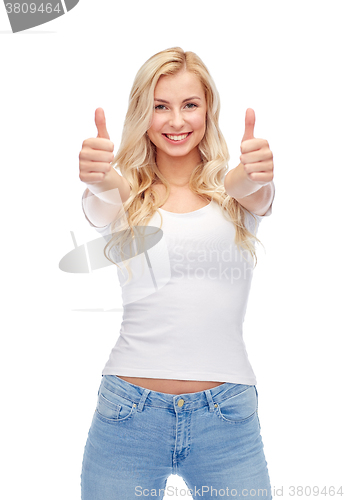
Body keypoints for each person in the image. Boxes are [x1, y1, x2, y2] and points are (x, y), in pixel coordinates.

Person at [78, 47, 275, 500]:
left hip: (226, 418)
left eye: (189, 105)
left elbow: (254, 190)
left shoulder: (233, 190)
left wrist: (256, 173)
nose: (176, 121)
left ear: (208, 110)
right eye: (160, 107)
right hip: (127, 415)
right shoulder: (125, 191)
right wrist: (98, 178)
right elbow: (102, 199)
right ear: (142, 114)